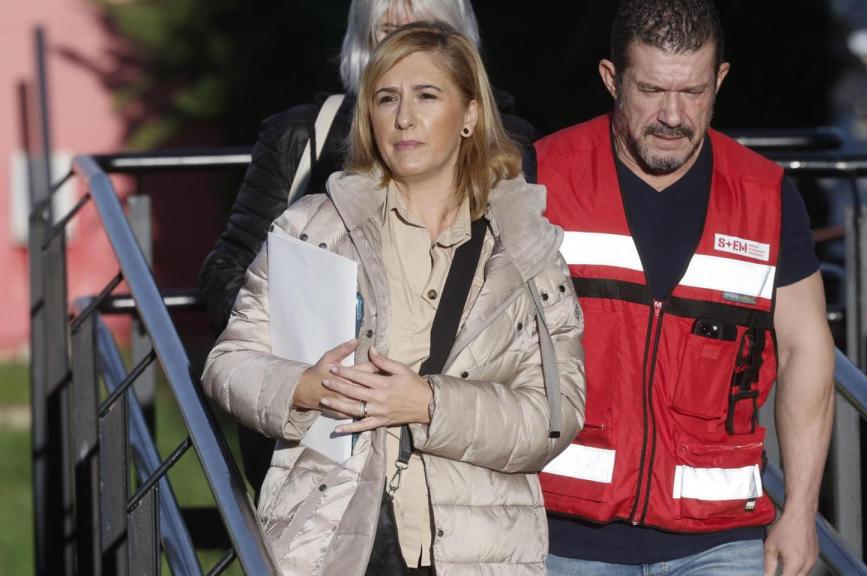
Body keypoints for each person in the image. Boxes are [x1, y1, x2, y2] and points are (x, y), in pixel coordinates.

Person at [202, 23, 585, 575]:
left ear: (470, 115)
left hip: (477, 553)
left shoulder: (527, 249)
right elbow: (227, 363)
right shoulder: (312, 227)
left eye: (427, 96)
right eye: (387, 98)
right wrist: (305, 388)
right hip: (330, 542)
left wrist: (429, 405)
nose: (404, 117)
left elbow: (554, 414)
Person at [526, 1, 835, 575]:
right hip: (560, 540)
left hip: (722, 542)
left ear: (719, 80)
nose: (672, 115)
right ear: (611, 79)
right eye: (650, 91)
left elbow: (804, 351)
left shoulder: (766, 197)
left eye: (693, 93)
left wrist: (801, 512)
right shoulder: (541, 177)